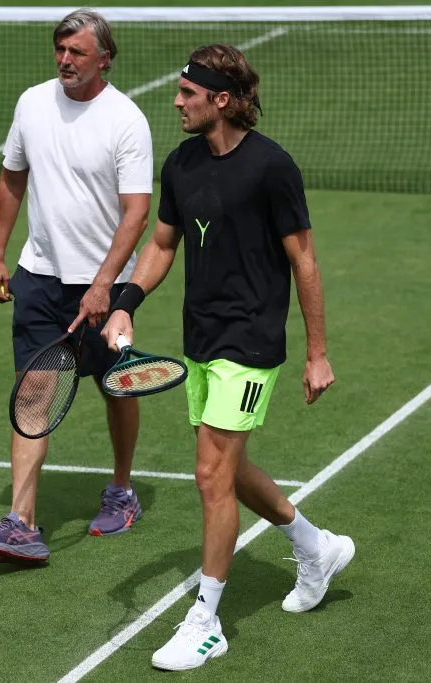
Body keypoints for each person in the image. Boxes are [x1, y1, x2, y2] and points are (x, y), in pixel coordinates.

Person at [101, 44, 355, 669]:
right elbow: (162, 245)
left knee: (211, 476)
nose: (177, 101)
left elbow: (304, 260)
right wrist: (126, 301)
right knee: (229, 470)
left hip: (252, 341)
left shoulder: (272, 168)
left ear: (221, 100)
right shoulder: (182, 163)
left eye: (188, 94)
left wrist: (317, 352)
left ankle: (206, 620)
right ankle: (312, 544)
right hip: (202, 339)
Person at [0, 8, 154, 565]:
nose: (65, 60)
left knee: (115, 387)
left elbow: (137, 213)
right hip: (40, 278)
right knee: (32, 395)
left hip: (106, 287)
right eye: (60, 49)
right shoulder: (31, 103)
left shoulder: (126, 120)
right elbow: (12, 176)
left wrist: (103, 285)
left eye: (76, 52)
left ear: (104, 59)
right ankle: (21, 521)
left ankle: (122, 489)